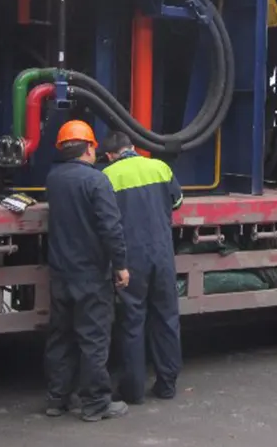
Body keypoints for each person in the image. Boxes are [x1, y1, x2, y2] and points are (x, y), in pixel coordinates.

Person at [44, 120, 130, 422]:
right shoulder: (96, 181)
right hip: (91, 274)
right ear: (91, 147)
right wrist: (120, 264)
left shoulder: (53, 179)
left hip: (60, 272)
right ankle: (96, 404)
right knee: (93, 338)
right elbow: (111, 227)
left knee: (61, 337)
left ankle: (58, 399)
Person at [102, 130, 183, 404]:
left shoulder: (108, 176)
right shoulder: (160, 167)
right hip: (162, 253)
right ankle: (167, 384)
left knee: (132, 322)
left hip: (131, 258)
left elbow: (105, 219)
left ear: (109, 156)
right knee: (166, 318)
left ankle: (133, 391)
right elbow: (178, 201)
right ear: (132, 147)